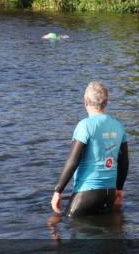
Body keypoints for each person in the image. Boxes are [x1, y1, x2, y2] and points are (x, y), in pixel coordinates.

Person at [51, 81, 129, 217]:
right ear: (106, 102)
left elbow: (73, 161)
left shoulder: (85, 126)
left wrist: (58, 191)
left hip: (86, 193)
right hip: (109, 193)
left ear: (85, 101)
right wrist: (119, 189)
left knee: (59, 223)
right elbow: (124, 162)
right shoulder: (118, 126)